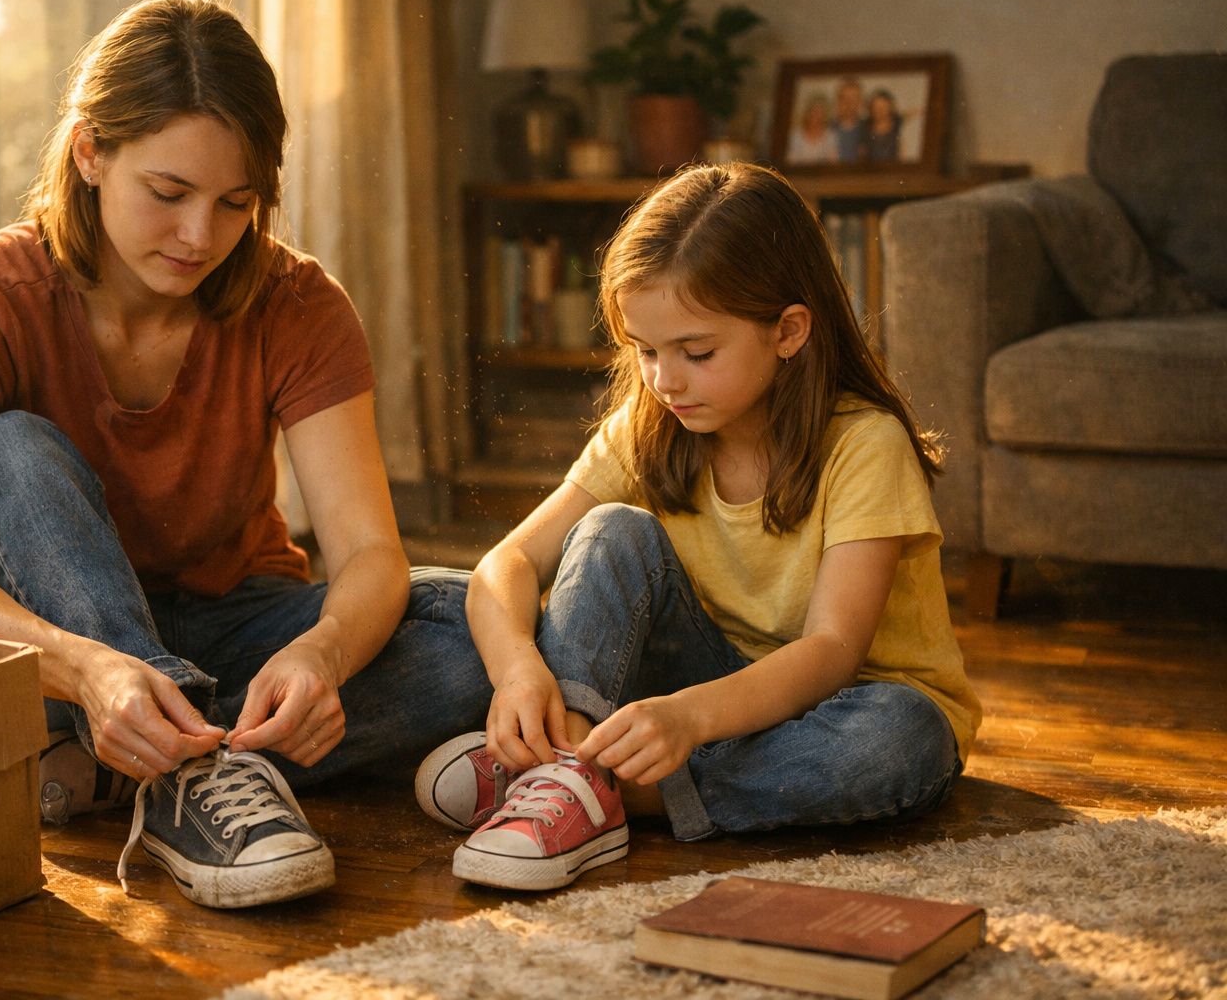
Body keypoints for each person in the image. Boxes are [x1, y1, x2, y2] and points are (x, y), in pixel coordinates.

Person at [0, 0, 488, 910]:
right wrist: (93, 671)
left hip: (238, 621)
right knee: (11, 447)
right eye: (167, 194)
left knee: (473, 631)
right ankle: (186, 770)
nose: (200, 236)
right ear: (91, 151)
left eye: (235, 202)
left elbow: (370, 552)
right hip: (55, 653)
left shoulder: (299, 305)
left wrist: (323, 656)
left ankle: (146, 770)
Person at [413, 163, 981, 891]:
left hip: (843, 704)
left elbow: (834, 650)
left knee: (897, 742)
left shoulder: (865, 444)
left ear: (788, 331)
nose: (664, 380)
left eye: (696, 353)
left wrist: (685, 719)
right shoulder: (651, 425)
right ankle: (573, 772)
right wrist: (517, 670)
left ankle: (578, 788)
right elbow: (506, 564)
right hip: (700, 688)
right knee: (611, 533)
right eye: (645, 351)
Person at [785, 93, 839, 165]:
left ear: (825, 116)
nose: (816, 116)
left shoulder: (831, 136)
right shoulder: (795, 135)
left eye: (820, 113)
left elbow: (832, 163)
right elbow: (790, 162)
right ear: (807, 113)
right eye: (813, 112)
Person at [831, 77, 867, 162]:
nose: (849, 103)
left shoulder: (868, 128)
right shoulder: (828, 128)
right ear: (838, 101)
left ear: (860, 102)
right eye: (844, 98)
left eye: (853, 99)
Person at [864, 88, 904, 162]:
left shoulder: (898, 125)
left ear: (890, 107)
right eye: (875, 107)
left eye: (882, 107)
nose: (878, 111)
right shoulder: (865, 127)